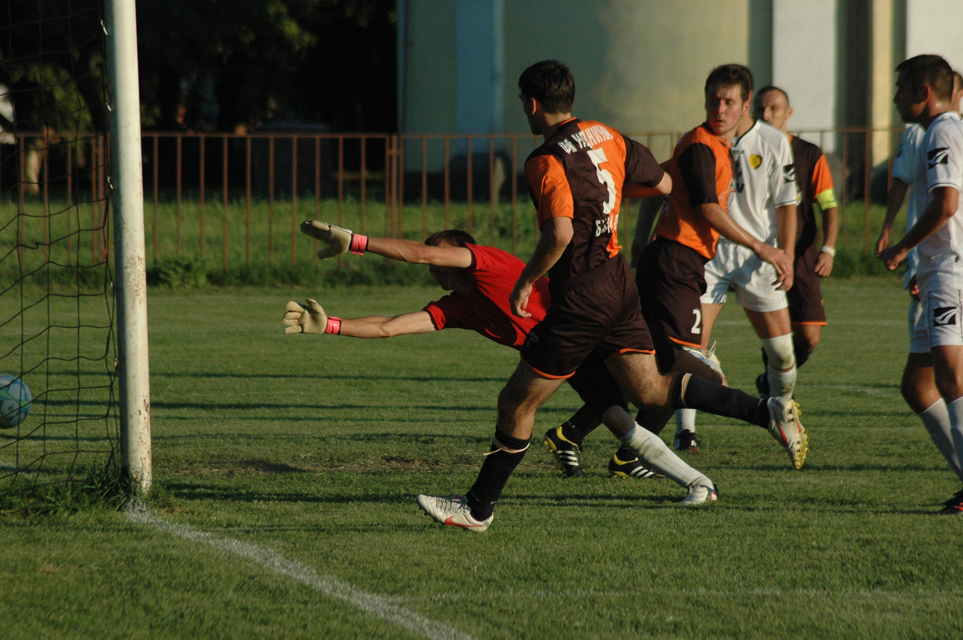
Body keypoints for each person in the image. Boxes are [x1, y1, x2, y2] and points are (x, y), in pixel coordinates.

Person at [413, 60, 804, 531]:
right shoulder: (606, 134)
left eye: (522, 103)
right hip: (619, 284)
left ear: (532, 104)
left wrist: (524, 280)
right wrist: (608, 196)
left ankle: (477, 508)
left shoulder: (545, 159)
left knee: (517, 401)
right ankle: (765, 411)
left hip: (580, 295)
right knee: (652, 389)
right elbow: (661, 183)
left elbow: (558, 233)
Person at [282, 224, 714, 493]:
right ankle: (697, 481)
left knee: (691, 381)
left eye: (443, 252)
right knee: (626, 421)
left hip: (593, 332)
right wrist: (331, 325)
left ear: (464, 253)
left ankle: (760, 414)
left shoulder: (488, 262)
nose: (435, 261)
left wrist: (358, 241)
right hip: (566, 357)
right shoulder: (458, 305)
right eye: (435, 254)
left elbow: (421, 253)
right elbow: (389, 326)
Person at [634, 63, 806, 464]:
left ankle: (781, 408)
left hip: (751, 261)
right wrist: (641, 239)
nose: (720, 108)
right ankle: (682, 434)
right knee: (686, 357)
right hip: (700, 259)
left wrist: (786, 254)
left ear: (747, 104)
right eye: (714, 100)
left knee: (782, 353)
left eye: (729, 101)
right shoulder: (700, 144)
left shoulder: (767, 142)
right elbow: (684, 197)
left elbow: (787, 203)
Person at [879, 56, 963, 515]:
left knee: (952, 377)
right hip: (936, 274)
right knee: (918, 384)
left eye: (901, 90)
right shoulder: (933, 133)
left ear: (924, 93)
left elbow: (946, 204)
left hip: (950, 271)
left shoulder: (943, 132)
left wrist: (902, 246)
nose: (895, 99)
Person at [752, 86, 840, 396]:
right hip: (760, 252)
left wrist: (828, 249)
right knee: (774, 331)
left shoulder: (808, 153)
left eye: (774, 108)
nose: (766, 114)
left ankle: (769, 377)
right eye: (760, 109)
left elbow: (829, 205)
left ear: (788, 113)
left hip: (801, 256)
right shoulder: (743, 151)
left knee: (809, 337)